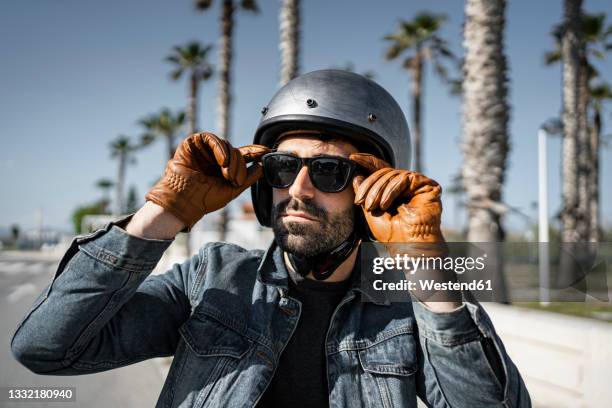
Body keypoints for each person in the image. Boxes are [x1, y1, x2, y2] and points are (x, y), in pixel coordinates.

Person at [11, 70, 531, 407]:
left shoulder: (405, 308)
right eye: (282, 169)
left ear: (376, 192)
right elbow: (46, 349)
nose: (298, 190)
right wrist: (162, 213)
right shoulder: (212, 279)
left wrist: (429, 278)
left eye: (328, 172)